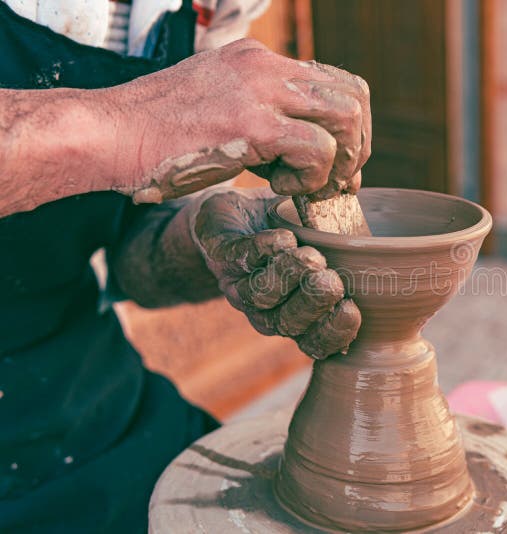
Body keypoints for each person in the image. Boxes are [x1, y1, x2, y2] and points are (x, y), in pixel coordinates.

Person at [0, 1, 369, 531]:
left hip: (71, 373)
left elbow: (134, 255)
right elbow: (146, 127)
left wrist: (214, 240)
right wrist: (140, 120)